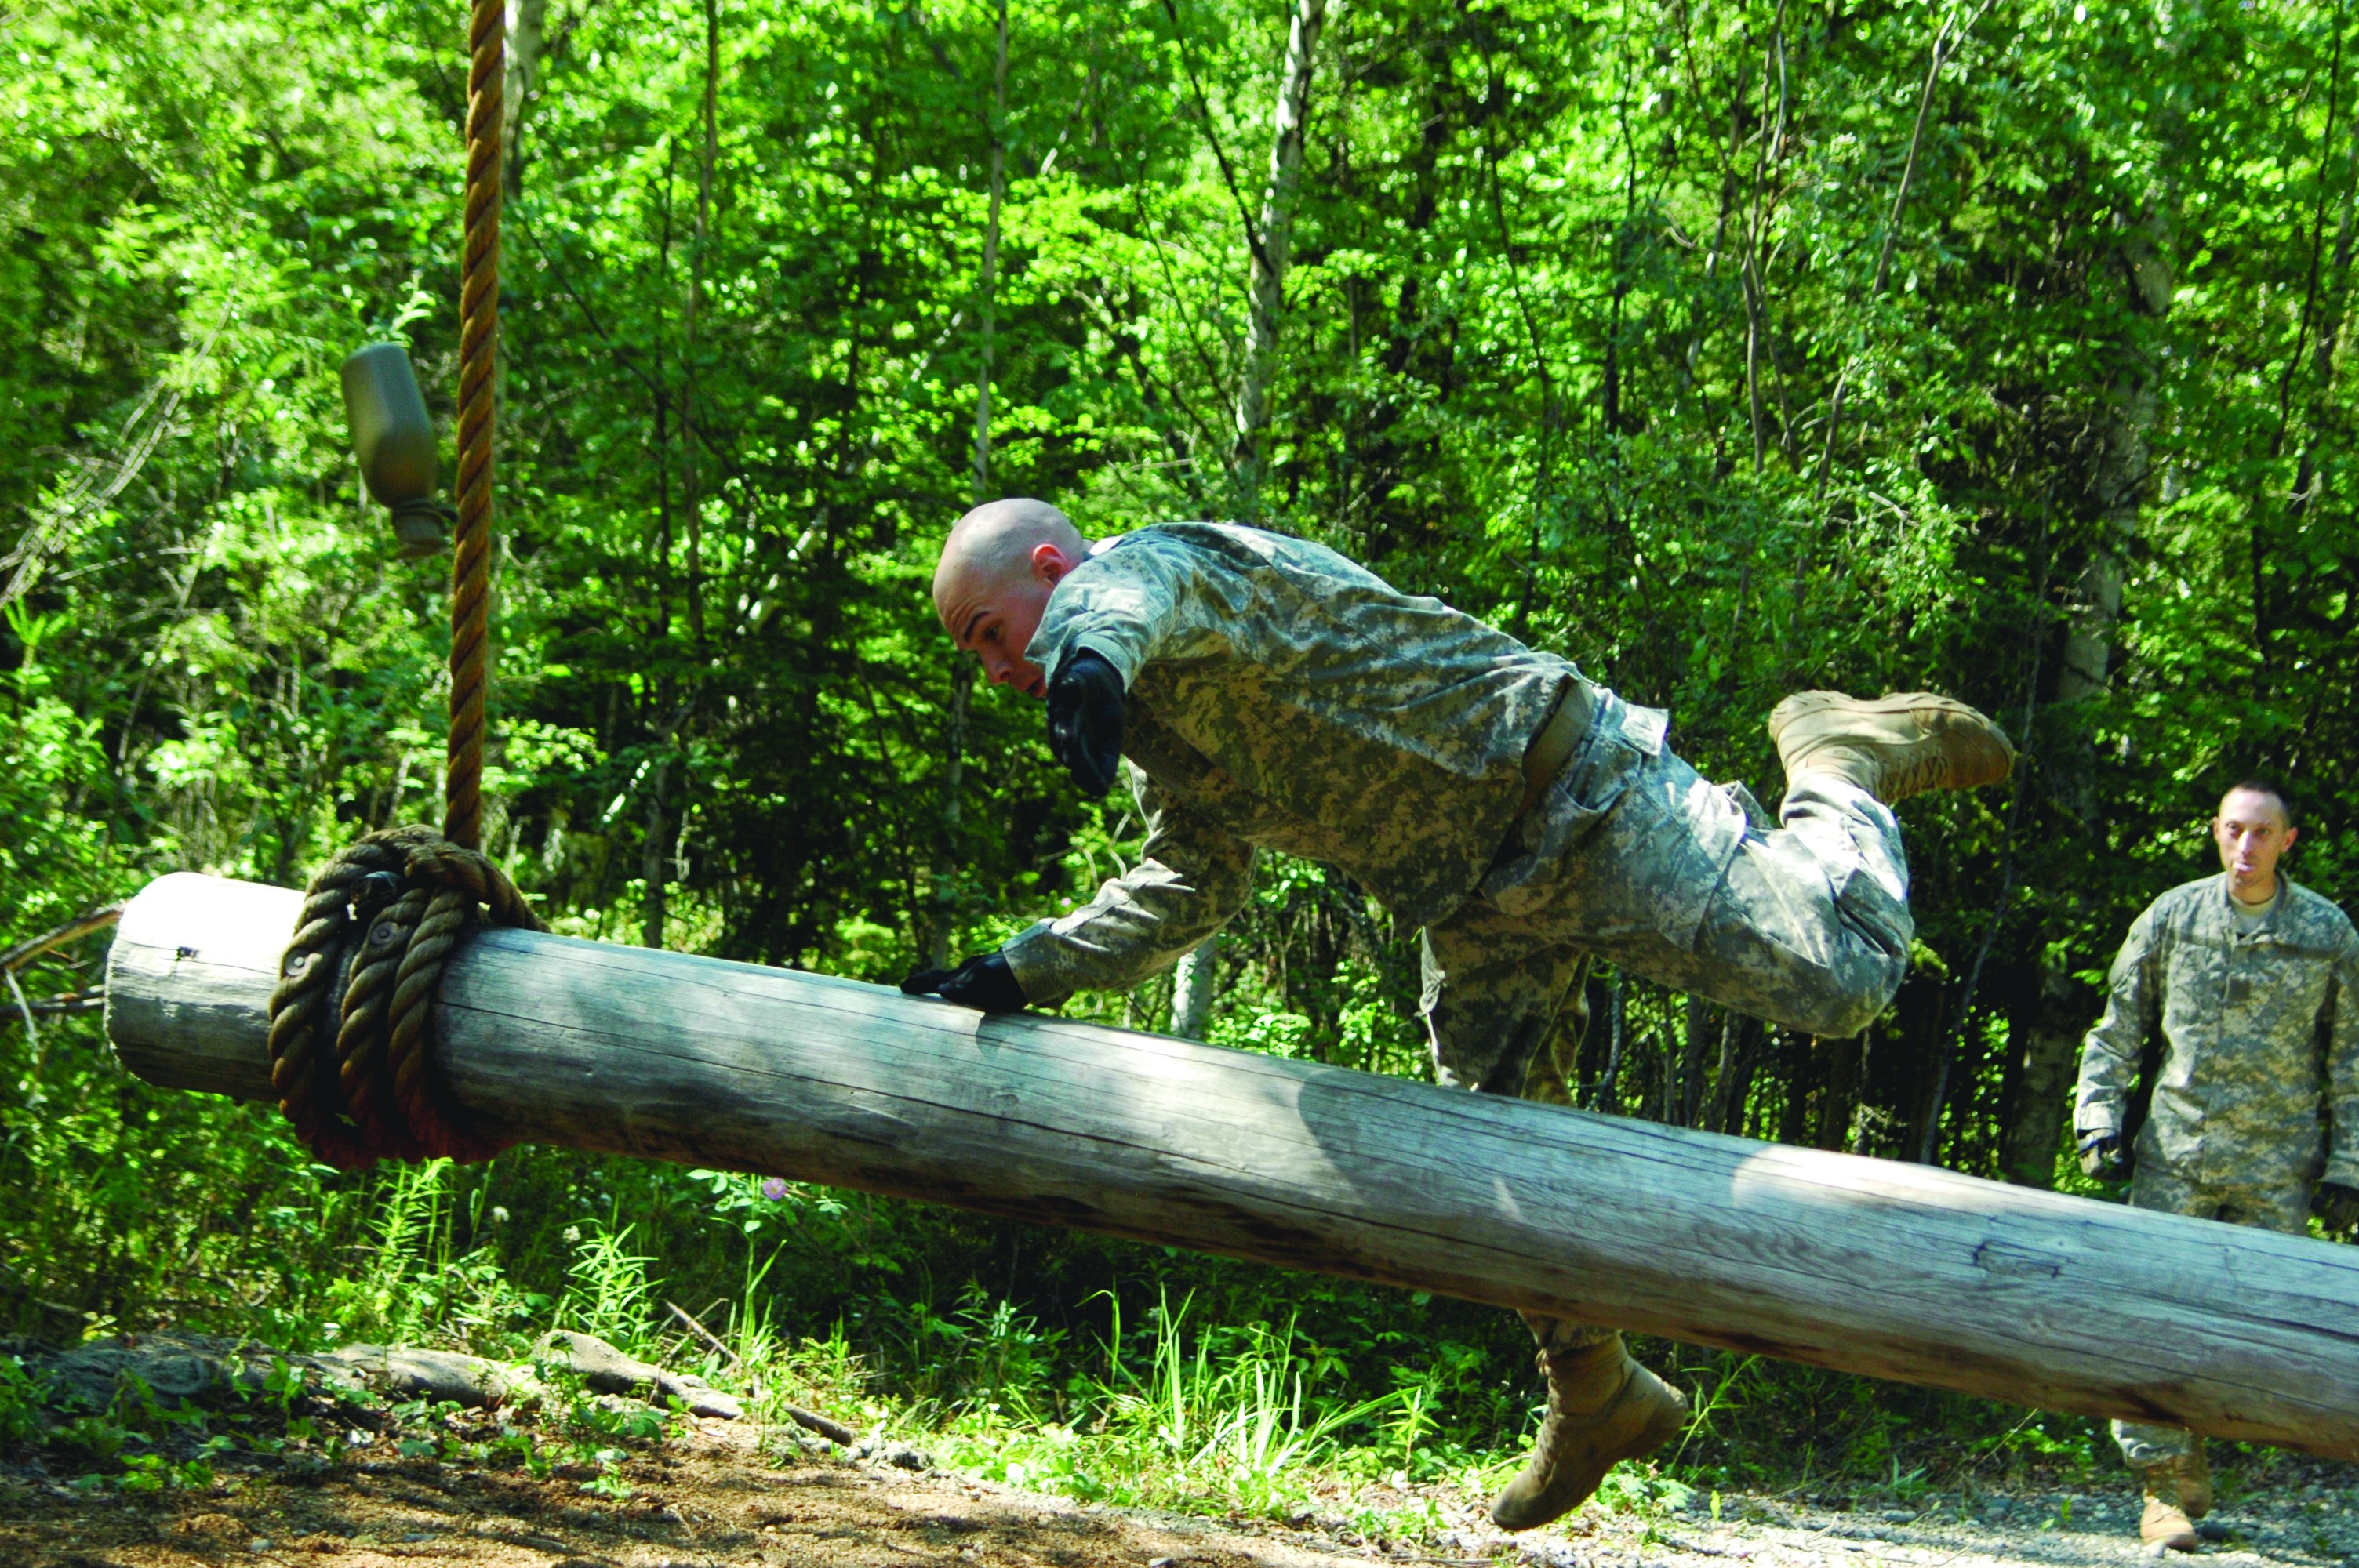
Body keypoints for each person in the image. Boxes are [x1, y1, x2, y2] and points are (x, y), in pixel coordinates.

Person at [906, 498, 2016, 1529]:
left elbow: (1124, 606)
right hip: (1476, 903)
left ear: (1049, 571)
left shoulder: (1177, 567)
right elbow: (1193, 886)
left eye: (991, 635)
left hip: (1579, 794)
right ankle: (1597, 1390)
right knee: (1499, 1172)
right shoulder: (1148, 718)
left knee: (1844, 979)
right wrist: (1020, 972)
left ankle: (1838, 759)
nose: (999, 669)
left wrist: (1082, 659)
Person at [2073, 779, 2359, 1552]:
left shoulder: (2325, 933)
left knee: (2262, 1324)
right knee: (2151, 1311)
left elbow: (2350, 1057)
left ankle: (2212, 1450)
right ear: (2213, 831)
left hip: (2277, 1162)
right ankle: (2163, 1483)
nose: (2244, 847)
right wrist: (2099, 1115)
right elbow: (2117, 1026)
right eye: (2232, 830)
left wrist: (2348, 1163)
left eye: (2261, 833)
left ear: (2287, 840)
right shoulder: (2173, 916)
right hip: (2178, 1154)